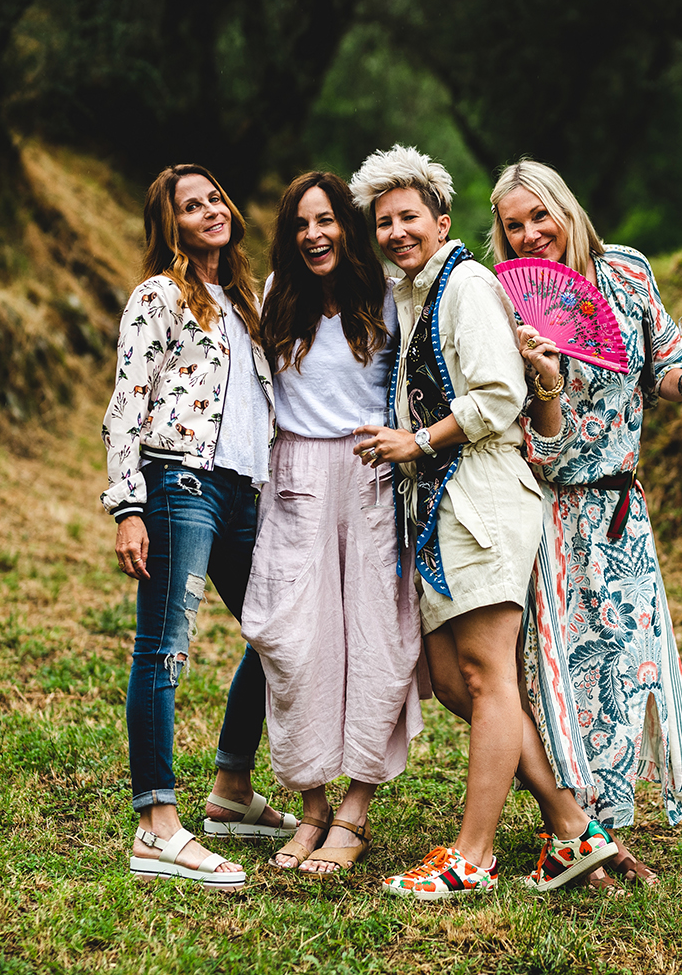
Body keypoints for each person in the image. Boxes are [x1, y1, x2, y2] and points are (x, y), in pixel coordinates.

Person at [349, 145, 620, 899]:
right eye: (383, 222)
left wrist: (419, 441)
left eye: (408, 217)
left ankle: (472, 855)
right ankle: (572, 828)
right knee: (451, 679)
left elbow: (501, 396)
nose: (396, 231)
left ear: (441, 221)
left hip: (482, 495)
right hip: (439, 505)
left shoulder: (466, 285)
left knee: (485, 673)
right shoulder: (412, 293)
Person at [491, 159, 682, 887]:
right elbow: (541, 444)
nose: (531, 234)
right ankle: (576, 832)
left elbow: (666, 370)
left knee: (622, 669)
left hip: (623, 511)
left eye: (540, 215)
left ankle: (604, 829)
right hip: (552, 512)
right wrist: (549, 383)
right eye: (513, 225)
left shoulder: (625, 274)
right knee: (556, 675)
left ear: (567, 208)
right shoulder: (509, 305)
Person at [100, 163, 297, 889]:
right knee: (163, 652)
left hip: (244, 494)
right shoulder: (159, 295)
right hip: (179, 484)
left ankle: (231, 789)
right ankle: (156, 825)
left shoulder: (245, 301)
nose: (210, 210)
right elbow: (128, 401)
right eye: (191, 206)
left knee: (277, 632)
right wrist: (127, 505)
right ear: (171, 225)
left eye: (214, 197)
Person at [241, 171, 424, 876]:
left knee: (378, 636)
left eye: (327, 220)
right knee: (293, 638)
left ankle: (354, 810)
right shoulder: (272, 296)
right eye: (300, 224)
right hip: (294, 478)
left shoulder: (384, 295)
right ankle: (311, 803)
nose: (314, 234)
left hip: (370, 472)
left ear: (346, 227)